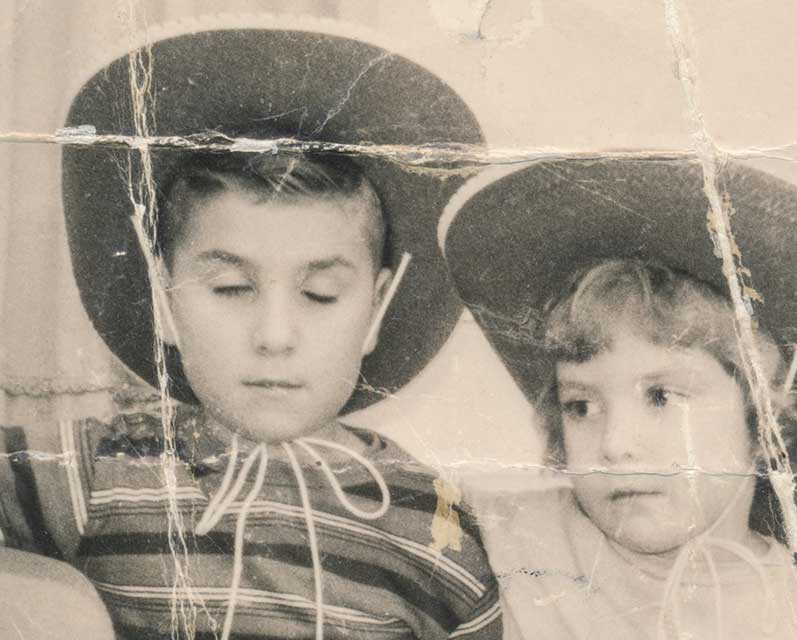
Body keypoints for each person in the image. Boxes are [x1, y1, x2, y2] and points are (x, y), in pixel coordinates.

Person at [1, 26, 500, 640]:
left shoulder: (433, 526)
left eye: (319, 294)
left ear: (375, 310)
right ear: (165, 300)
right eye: (232, 289)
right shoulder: (99, 472)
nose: (275, 335)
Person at [439, 159, 797, 638]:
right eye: (581, 406)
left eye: (661, 396)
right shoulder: (485, 537)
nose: (615, 445)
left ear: (765, 421)